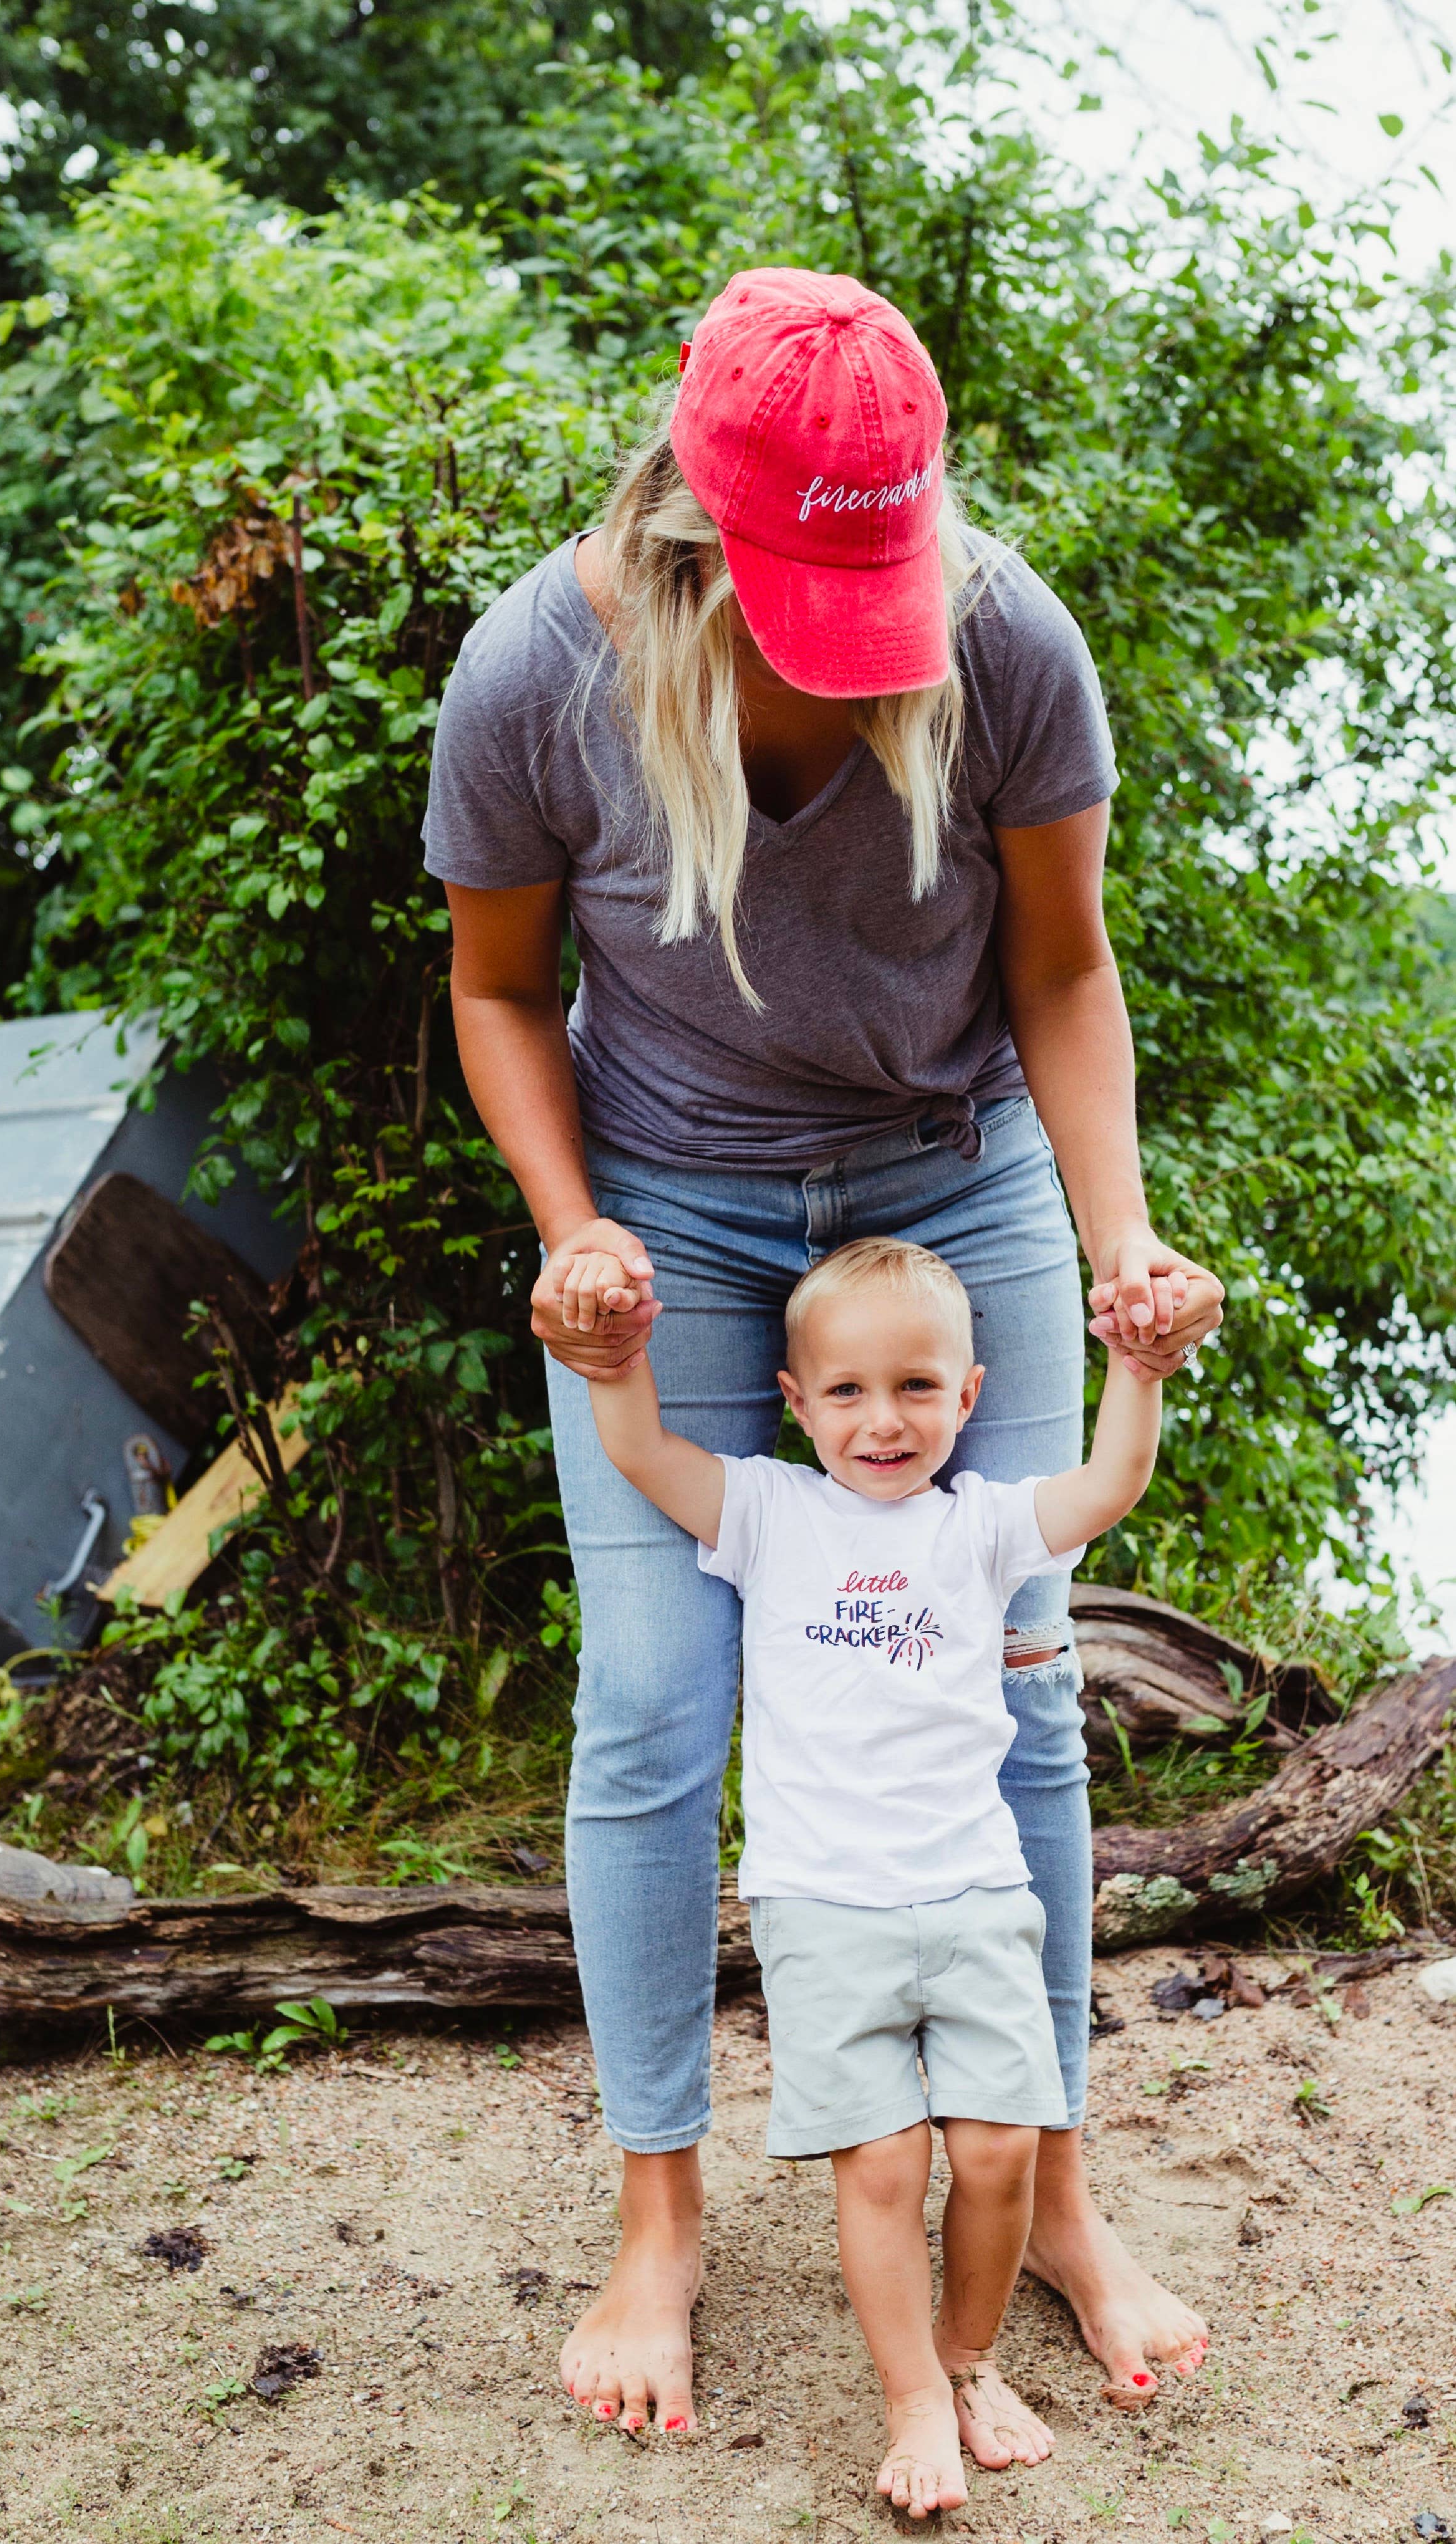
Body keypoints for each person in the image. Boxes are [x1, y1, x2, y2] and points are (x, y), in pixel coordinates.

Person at [423, 263, 1224, 2435]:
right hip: (670, 1211)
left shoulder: (1008, 641)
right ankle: (659, 2220)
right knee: (659, 1714)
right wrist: (575, 1232)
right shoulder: (538, 676)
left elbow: (1063, 972)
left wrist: (1117, 1237)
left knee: (1024, 1692)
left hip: (950, 1188)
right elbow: (500, 993)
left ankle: (1052, 2194)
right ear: (702, 526)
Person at [569, 1233, 1166, 2516]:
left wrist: (1138, 1364)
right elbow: (640, 1455)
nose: (879, 1420)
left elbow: (1110, 1482)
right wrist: (618, 1363)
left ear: (967, 1394)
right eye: (843, 1390)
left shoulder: (987, 1522)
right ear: (793, 1400)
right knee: (884, 2163)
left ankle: (966, 2355)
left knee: (1001, 2145)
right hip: (824, 1905)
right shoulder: (768, 1510)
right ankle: (911, 2393)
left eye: (914, 1386)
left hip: (974, 1896)